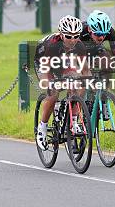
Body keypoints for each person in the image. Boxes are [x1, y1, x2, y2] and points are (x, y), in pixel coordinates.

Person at [34, 16, 88, 151]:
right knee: (53, 93)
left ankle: (74, 121)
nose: (73, 40)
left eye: (76, 36)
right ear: (61, 35)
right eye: (69, 36)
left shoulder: (79, 45)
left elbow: (85, 70)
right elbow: (46, 69)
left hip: (63, 61)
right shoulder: (52, 44)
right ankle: (42, 128)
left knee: (77, 84)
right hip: (44, 62)